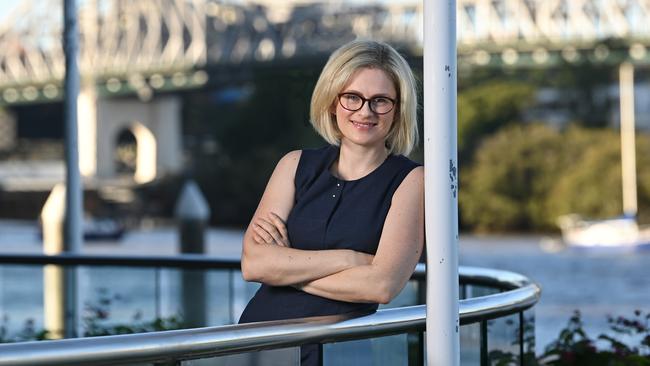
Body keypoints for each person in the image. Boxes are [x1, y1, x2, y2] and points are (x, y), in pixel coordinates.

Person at [238, 40, 424, 366]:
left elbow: (381, 285)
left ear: (397, 110)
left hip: (339, 354)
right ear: (332, 102)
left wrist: (283, 268)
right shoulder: (294, 165)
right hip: (257, 345)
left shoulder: (413, 181)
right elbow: (254, 264)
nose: (365, 111)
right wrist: (351, 259)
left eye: (380, 101)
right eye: (352, 97)